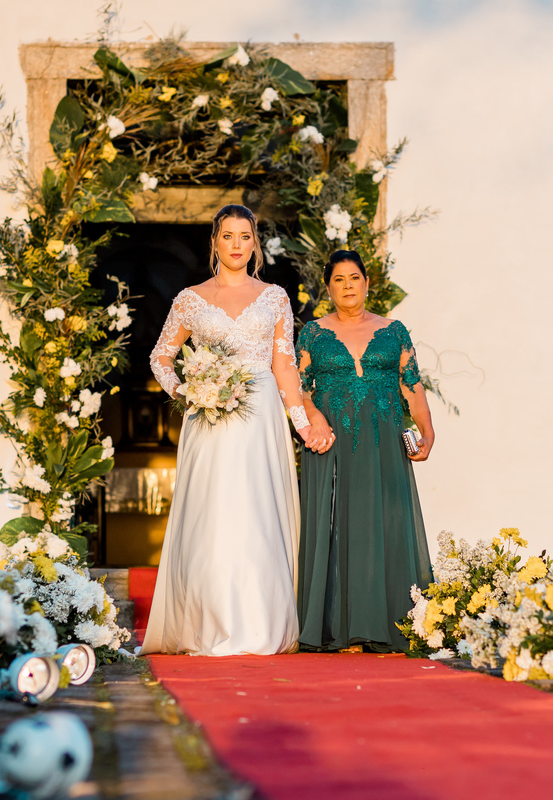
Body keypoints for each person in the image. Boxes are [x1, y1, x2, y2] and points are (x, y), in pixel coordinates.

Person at [140, 204, 325, 656]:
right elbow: (159, 357)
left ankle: (261, 620)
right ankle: (210, 619)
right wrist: (187, 390)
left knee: (257, 510)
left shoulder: (275, 297)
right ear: (215, 242)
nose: (237, 245)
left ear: (254, 243)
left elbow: (284, 368)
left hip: (260, 417)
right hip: (209, 420)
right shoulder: (190, 298)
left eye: (245, 236)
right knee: (213, 512)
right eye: (229, 236)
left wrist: (303, 425)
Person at [295, 250, 435, 652]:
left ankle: (389, 623)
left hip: (384, 440)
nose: (348, 286)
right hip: (331, 441)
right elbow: (300, 390)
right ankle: (334, 626)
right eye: (338, 280)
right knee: (335, 526)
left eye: (354, 277)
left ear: (367, 282)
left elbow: (412, 385)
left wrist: (427, 432)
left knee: (385, 521)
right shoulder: (312, 333)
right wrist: (312, 420)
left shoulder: (394, 331)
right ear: (328, 288)